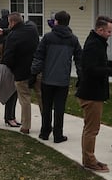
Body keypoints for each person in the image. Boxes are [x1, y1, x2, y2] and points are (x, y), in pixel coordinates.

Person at [76, 15, 112, 173]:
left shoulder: (97, 42)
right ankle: (89, 160)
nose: (110, 34)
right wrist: (111, 72)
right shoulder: (94, 44)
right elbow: (90, 69)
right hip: (91, 93)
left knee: (90, 127)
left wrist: (109, 63)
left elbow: (95, 63)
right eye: (108, 31)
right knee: (92, 129)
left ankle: (89, 158)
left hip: (93, 92)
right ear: (100, 30)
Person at [31, 10, 82, 142]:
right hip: (63, 80)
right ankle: (58, 135)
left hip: (47, 78)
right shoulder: (73, 39)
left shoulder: (48, 38)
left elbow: (39, 56)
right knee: (59, 108)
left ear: (56, 22)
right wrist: (81, 76)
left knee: (46, 106)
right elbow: (79, 59)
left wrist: (33, 73)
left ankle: (45, 132)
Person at [0, 13, 40, 131]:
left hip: (20, 72)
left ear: (12, 22)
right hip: (35, 70)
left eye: (9, 22)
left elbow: (8, 57)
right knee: (41, 98)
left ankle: (26, 126)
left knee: (25, 100)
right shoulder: (32, 30)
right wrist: (5, 31)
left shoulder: (13, 36)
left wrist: (12, 68)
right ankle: (47, 124)